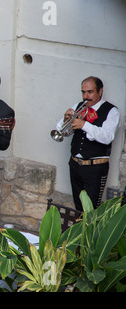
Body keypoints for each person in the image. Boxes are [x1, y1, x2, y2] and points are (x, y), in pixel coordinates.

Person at [56, 76, 119, 211]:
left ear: (100, 91)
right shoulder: (78, 107)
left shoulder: (111, 111)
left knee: (90, 210)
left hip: (95, 168)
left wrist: (84, 125)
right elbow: (62, 131)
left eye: (90, 92)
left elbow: (107, 137)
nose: (86, 96)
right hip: (75, 165)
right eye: (83, 92)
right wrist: (66, 120)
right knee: (78, 207)